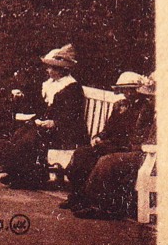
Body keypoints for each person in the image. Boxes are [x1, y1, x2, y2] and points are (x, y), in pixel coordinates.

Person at [61, 72, 155, 212]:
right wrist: (99, 137)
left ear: (138, 90)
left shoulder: (146, 108)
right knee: (82, 153)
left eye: (130, 89)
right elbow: (108, 128)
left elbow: (138, 138)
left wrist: (112, 144)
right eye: (124, 89)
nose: (126, 93)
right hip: (113, 144)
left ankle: (98, 204)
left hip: (129, 147)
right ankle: (78, 196)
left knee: (105, 160)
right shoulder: (120, 105)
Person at [0, 44, 87, 189]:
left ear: (61, 70)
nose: (48, 70)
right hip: (48, 124)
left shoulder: (72, 87)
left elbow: (73, 114)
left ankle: (28, 178)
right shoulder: (50, 84)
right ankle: (14, 173)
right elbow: (40, 104)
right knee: (20, 134)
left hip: (66, 129)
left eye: (52, 68)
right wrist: (23, 96)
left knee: (30, 139)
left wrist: (55, 122)